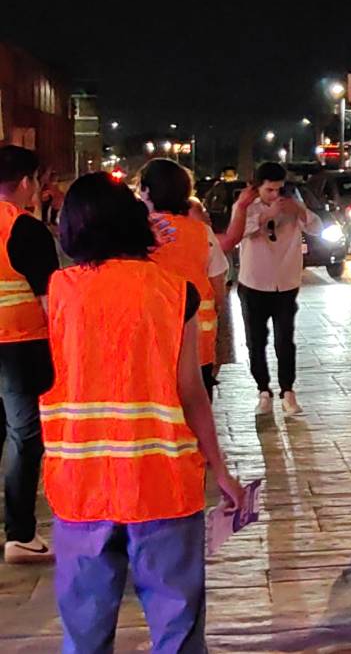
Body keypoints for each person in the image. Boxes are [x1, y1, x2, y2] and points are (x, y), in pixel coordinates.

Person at [44, 173, 243, 651]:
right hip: (161, 483)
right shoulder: (176, 293)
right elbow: (192, 393)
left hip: (79, 485)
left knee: (85, 630)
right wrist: (221, 471)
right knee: (177, 628)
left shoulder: (59, 290)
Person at [0, 146, 59, 564]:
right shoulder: (25, 229)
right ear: (25, 182)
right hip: (19, 348)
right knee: (24, 439)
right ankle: (20, 534)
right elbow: (49, 302)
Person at [140, 159, 229, 399]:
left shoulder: (134, 235)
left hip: (151, 346)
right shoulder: (202, 233)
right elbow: (218, 285)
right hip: (199, 346)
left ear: (146, 191)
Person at [237, 162, 321, 416]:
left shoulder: (292, 206)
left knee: (285, 339)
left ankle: (288, 391)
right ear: (258, 187)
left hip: (285, 284)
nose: (275, 195)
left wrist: (299, 211)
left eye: (279, 189)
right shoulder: (246, 207)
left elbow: (317, 227)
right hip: (254, 283)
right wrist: (266, 215)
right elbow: (240, 231)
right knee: (256, 340)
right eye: (269, 190)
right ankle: (263, 390)